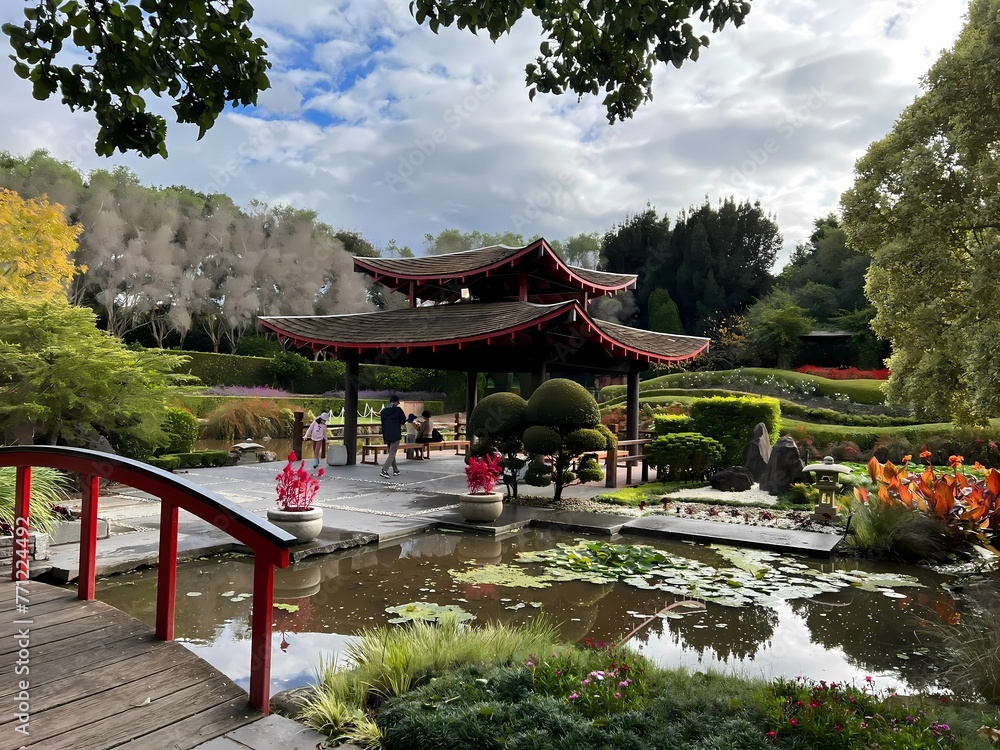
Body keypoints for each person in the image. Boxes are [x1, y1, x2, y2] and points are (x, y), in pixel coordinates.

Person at [378, 395, 407, 478]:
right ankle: (384, 470)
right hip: (395, 434)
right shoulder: (398, 410)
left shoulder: (383, 411)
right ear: (397, 402)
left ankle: (396, 470)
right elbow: (403, 421)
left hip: (386, 434)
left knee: (391, 452)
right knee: (392, 453)